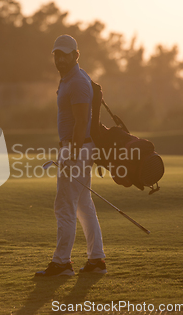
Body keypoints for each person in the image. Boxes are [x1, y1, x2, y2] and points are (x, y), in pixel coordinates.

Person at [35, 35, 106, 277]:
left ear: (76, 55)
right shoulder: (68, 79)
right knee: (83, 206)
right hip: (77, 147)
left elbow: (81, 121)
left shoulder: (77, 81)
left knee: (64, 207)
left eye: (65, 54)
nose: (60, 59)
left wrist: (72, 154)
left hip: (76, 148)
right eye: (57, 54)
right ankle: (96, 260)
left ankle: (62, 263)